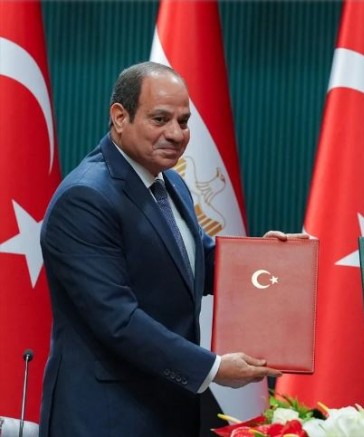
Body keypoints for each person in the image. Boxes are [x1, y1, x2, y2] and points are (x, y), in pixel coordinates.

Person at [39, 61, 286, 436]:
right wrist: (213, 369)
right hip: (106, 418)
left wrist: (269, 259)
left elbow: (197, 261)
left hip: (167, 410)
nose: (176, 134)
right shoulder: (85, 197)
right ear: (120, 117)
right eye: (160, 119)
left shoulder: (169, 182)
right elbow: (118, 320)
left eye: (183, 122)